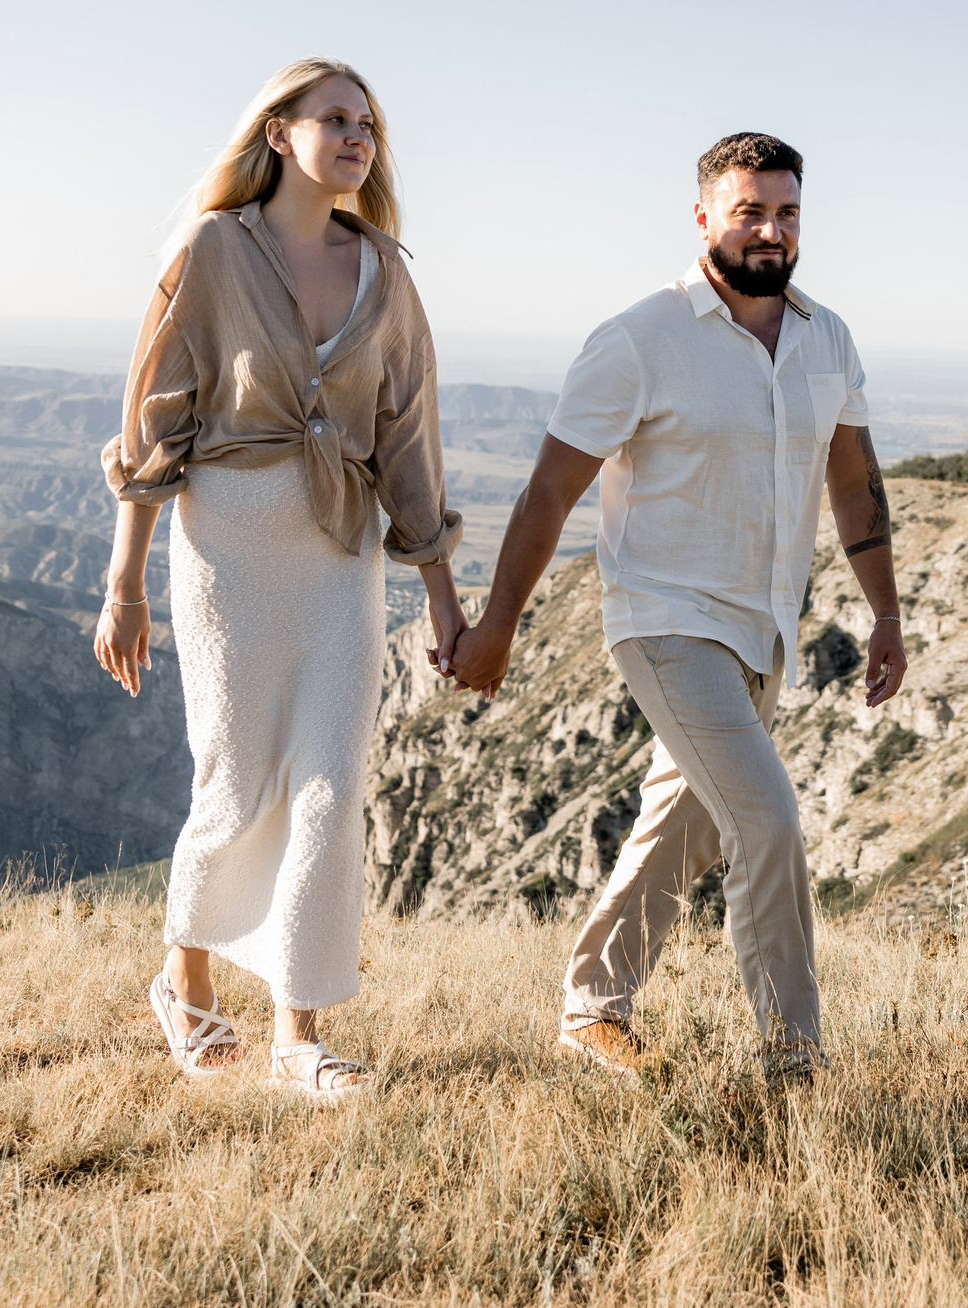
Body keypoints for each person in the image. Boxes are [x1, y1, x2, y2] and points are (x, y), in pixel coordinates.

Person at [447, 131, 906, 1081]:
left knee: (687, 821)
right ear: (703, 216)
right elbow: (545, 496)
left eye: (786, 214)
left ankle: (591, 1007)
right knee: (766, 819)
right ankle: (796, 1062)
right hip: (663, 618)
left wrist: (887, 615)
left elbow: (855, 484)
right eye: (750, 211)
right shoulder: (640, 337)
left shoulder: (828, 336)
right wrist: (498, 625)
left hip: (766, 625)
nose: (771, 232)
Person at [94, 57, 465, 1099]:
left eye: (368, 124)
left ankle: (297, 1035)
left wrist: (439, 591)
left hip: (339, 553)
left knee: (330, 788)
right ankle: (184, 977)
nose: (357, 137)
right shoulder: (212, 250)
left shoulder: (387, 271)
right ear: (277, 134)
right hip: (229, 541)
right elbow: (152, 422)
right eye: (334, 118)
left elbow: (409, 439)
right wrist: (123, 583)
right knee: (235, 779)